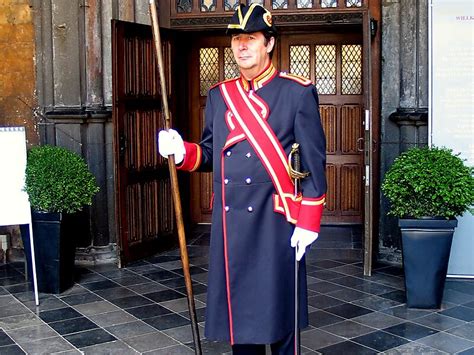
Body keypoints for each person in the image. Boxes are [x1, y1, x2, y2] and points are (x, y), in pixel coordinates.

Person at [158, 4, 326, 354]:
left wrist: (309, 220)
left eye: (251, 38)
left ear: (269, 44)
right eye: (237, 39)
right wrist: (181, 150)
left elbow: (313, 159)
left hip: (277, 219)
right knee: (241, 319)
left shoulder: (297, 92)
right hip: (231, 225)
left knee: (282, 313)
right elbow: (209, 152)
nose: (242, 46)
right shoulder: (220, 95)